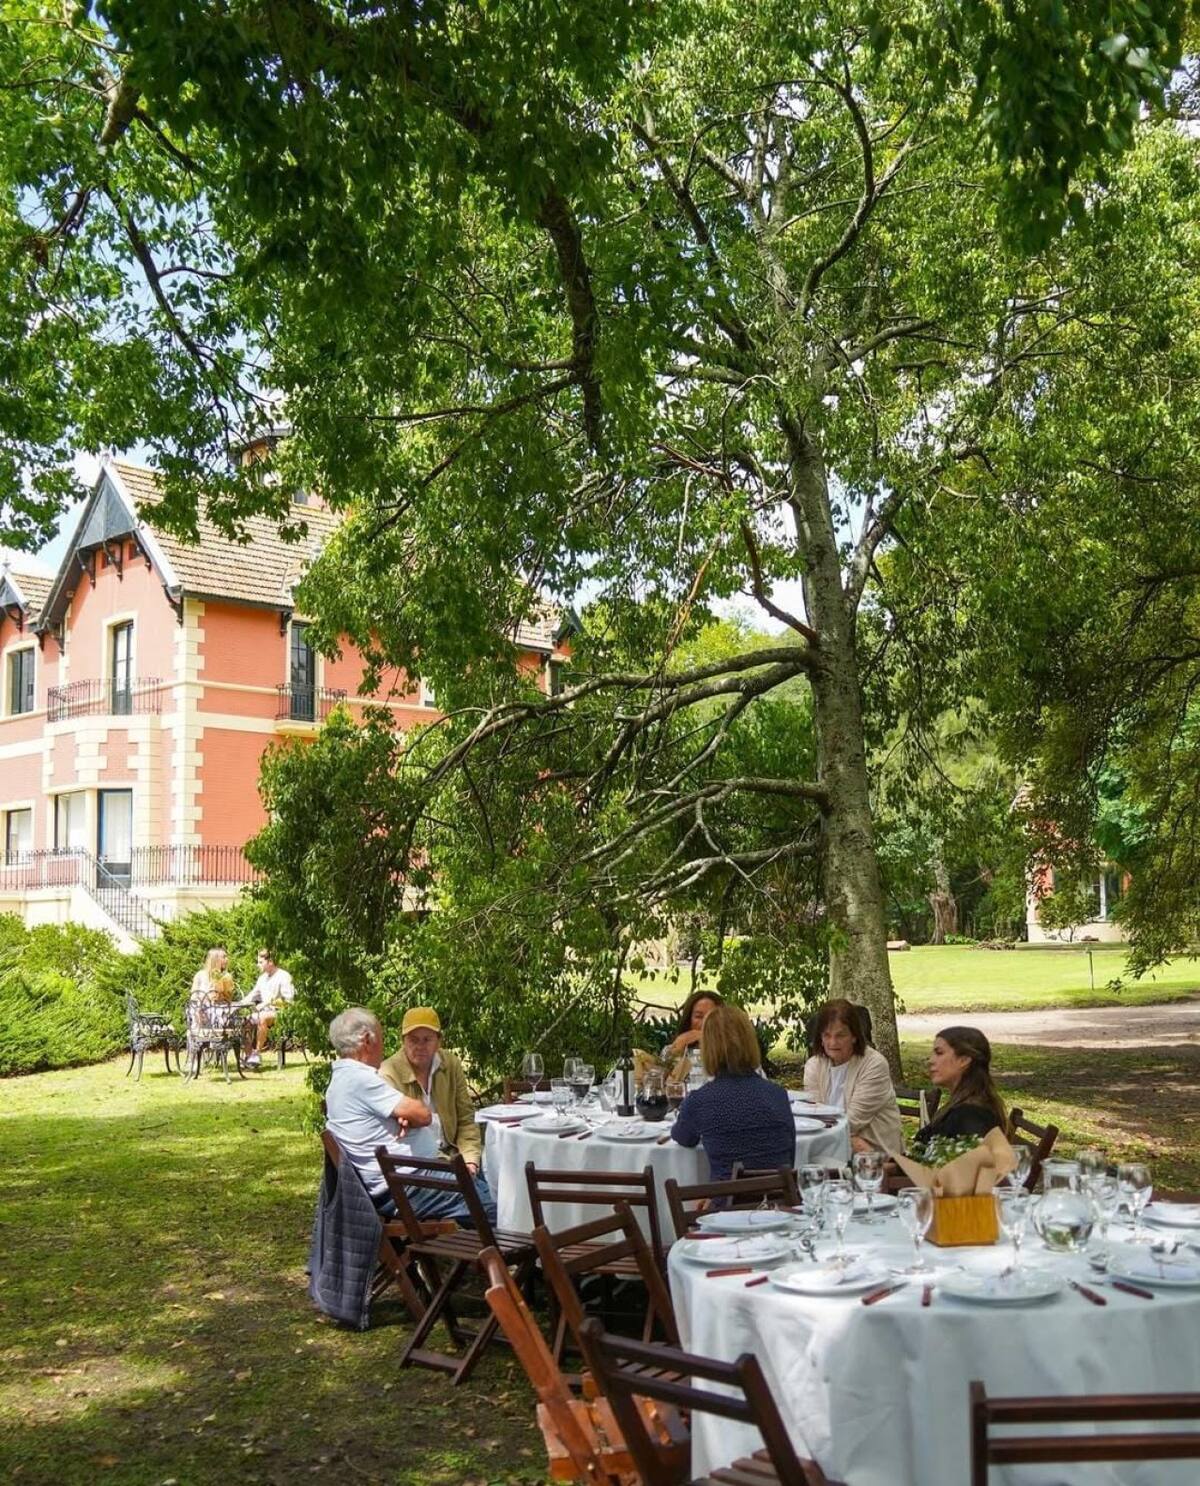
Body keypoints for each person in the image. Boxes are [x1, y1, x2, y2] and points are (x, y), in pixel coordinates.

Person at [379, 1006, 497, 1223]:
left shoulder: (450, 1064)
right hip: (422, 1166)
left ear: (438, 1041)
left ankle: (485, 1251)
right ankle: (499, 1252)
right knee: (492, 1209)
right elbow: (398, 1133)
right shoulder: (389, 1073)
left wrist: (471, 1160)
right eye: (413, 1039)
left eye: (427, 1039)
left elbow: (466, 1119)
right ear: (403, 1041)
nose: (420, 1046)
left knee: (503, 1190)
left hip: (456, 1156)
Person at [323, 1007, 437, 1211]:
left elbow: (406, 1115)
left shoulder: (341, 1080)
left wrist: (404, 1117)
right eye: (381, 1038)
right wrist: (410, 1116)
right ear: (367, 1040)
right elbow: (423, 1114)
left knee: (482, 1184)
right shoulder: (360, 1079)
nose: (383, 1047)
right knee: (496, 1207)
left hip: (403, 1182)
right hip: (408, 1187)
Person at [669, 1004, 794, 1182]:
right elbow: (789, 1159)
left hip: (728, 1204)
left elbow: (683, 1137)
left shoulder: (700, 1101)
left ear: (707, 1049)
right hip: (779, 1202)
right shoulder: (778, 1095)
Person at [803, 998, 902, 1156]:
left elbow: (852, 1122)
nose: (832, 1042)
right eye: (827, 1035)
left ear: (854, 1036)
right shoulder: (813, 1066)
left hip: (878, 1156)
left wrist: (844, 1139)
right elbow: (814, 1116)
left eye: (840, 1035)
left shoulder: (874, 1064)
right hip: (834, 1149)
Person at [914, 1025, 1006, 1150]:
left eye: (939, 1053)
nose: (930, 1060)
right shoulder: (961, 1106)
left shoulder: (972, 1116)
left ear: (964, 1060)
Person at [236, 948, 296, 1067]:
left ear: (270, 961)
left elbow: (288, 1000)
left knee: (262, 1018)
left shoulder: (284, 976)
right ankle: (249, 1055)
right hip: (264, 1013)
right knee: (244, 1022)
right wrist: (237, 1004)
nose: (257, 965)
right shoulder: (262, 978)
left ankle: (257, 1053)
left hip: (281, 1013)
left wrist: (267, 1003)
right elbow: (252, 995)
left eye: (260, 962)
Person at [660, 989, 723, 1084]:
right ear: (689, 1019)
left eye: (711, 1017)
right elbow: (658, 1084)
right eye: (699, 1017)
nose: (704, 1023)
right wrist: (676, 1051)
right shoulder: (673, 1049)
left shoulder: (729, 1052)